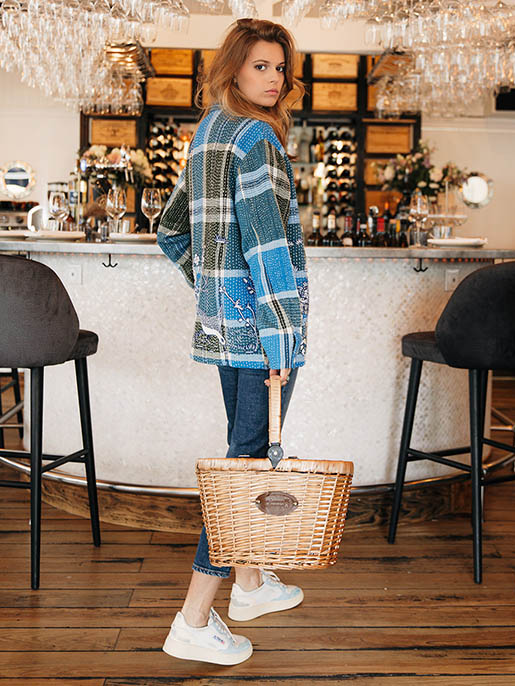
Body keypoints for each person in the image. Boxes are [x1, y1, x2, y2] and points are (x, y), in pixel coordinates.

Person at [156, 18, 309, 666]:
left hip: (224, 330)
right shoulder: (257, 141)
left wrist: (214, 290)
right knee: (243, 474)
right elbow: (271, 251)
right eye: (261, 67)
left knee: (240, 456)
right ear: (233, 69)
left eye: (280, 68)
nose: (273, 79)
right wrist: (278, 336)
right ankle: (193, 618)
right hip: (260, 337)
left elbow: (170, 229)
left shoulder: (209, 133)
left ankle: (247, 585)